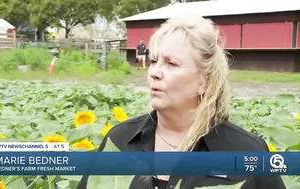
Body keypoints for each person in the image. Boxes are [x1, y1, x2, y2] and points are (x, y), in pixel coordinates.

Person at [77, 14, 286, 189]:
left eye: (171, 64)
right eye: (153, 61)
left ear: (205, 81)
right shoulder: (119, 141)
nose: (155, 72)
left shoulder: (246, 151)